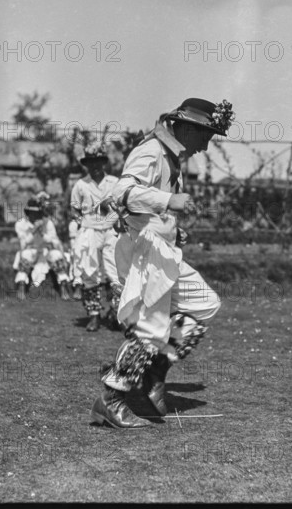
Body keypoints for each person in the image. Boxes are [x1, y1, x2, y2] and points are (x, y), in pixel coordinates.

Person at [90, 98, 235, 428]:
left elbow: (153, 208)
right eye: (206, 136)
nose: (206, 145)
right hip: (145, 250)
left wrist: (173, 227)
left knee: (205, 305)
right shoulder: (152, 150)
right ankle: (110, 400)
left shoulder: (172, 156)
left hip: (162, 249)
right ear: (186, 128)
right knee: (150, 328)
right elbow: (122, 193)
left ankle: (156, 369)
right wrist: (169, 201)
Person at [70, 141, 124, 332]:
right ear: (86, 164)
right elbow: (75, 208)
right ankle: (94, 315)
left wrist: (114, 217)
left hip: (110, 230)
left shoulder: (114, 183)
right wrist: (80, 224)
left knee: (114, 272)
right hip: (90, 231)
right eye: (91, 162)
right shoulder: (81, 184)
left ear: (103, 163)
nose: (95, 166)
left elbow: (121, 206)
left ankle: (116, 312)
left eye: (98, 161)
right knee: (90, 273)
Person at [14, 192, 70, 301]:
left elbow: (54, 241)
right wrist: (34, 230)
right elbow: (24, 243)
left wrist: (42, 233)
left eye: (38, 212)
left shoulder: (48, 223)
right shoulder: (20, 224)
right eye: (32, 212)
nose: (35, 215)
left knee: (57, 255)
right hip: (30, 250)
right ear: (28, 212)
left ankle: (63, 287)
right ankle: (21, 286)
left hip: (45, 251)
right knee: (25, 255)